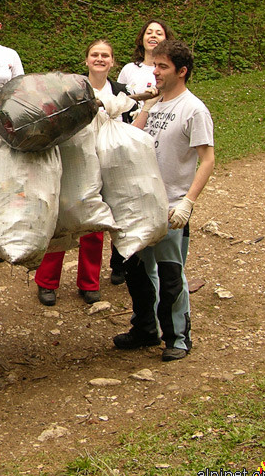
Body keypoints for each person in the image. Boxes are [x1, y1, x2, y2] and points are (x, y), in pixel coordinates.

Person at [113, 40, 214, 362]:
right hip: (140, 202)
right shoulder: (155, 104)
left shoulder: (193, 109)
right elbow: (133, 138)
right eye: (154, 65)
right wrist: (145, 106)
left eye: (162, 67)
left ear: (182, 72)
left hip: (171, 207)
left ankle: (178, 339)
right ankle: (146, 330)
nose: (154, 72)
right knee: (138, 273)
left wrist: (188, 202)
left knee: (171, 276)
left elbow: (208, 159)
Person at [35, 39, 137, 306]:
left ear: (113, 62)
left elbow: (130, 125)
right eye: (95, 54)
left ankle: (89, 282)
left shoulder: (123, 92)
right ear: (87, 60)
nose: (100, 59)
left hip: (108, 161)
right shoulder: (73, 88)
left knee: (96, 222)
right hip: (76, 161)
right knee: (61, 217)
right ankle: (46, 282)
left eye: (105, 55)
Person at [117, 18, 173, 99]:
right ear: (142, 39)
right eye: (149, 33)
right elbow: (118, 99)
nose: (153, 36)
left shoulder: (170, 70)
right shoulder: (129, 69)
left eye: (159, 34)